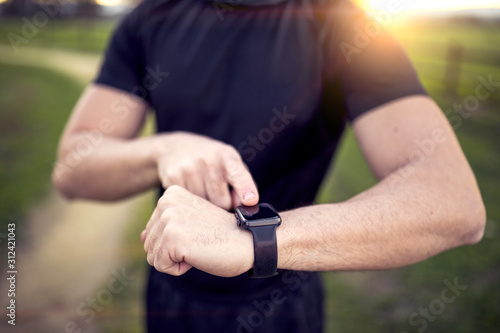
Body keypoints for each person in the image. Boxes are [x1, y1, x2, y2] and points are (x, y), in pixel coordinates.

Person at [52, 0, 486, 332]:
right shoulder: (152, 16)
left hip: (281, 303)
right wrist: (162, 150)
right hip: (171, 293)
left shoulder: (342, 22)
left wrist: (257, 241)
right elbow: (71, 169)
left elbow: (454, 201)